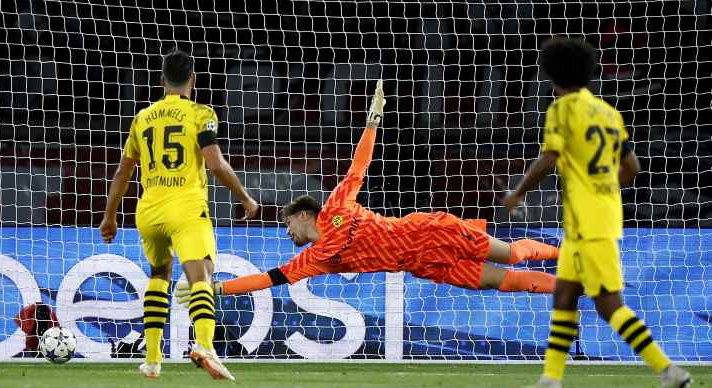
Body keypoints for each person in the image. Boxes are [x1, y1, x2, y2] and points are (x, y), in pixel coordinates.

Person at [176, 80, 558, 309]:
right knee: (502, 280)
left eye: (287, 221)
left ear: (305, 214)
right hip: (427, 265)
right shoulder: (316, 260)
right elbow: (267, 278)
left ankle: (568, 253)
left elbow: (359, 166)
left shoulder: (337, 204)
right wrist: (218, 288)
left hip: (430, 231)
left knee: (514, 253)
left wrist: (372, 122)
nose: (286, 230)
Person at [503, 37, 691, 388]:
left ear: (550, 74)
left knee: (609, 306)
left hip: (588, 225)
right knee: (564, 295)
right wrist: (602, 189)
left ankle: (669, 370)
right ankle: (551, 381)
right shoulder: (608, 113)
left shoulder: (561, 109)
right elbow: (632, 168)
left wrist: (517, 192)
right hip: (595, 219)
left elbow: (549, 158)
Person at [99, 49, 258, 380]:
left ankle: (153, 360)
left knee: (159, 274)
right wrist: (244, 197)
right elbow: (214, 164)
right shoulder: (201, 113)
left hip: (149, 210)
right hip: (185, 208)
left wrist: (109, 216)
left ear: (162, 82)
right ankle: (204, 346)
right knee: (202, 276)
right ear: (193, 80)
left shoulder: (142, 117)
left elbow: (122, 172)